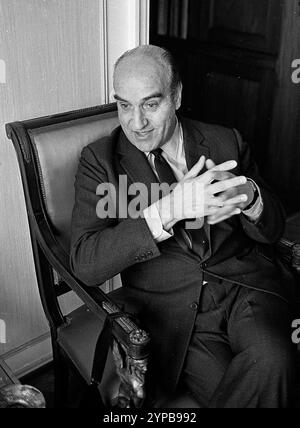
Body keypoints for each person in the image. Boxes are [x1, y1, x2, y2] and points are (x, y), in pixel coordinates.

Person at [70, 45, 297, 408]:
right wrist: (166, 210)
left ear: (175, 97)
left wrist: (249, 195)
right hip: (177, 317)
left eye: (150, 104)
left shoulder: (225, 140)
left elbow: (271, 229)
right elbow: (84, 262)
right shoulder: (101, 161)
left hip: (247, 290)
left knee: (276, 359)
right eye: (124, 105)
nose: (136, 123)